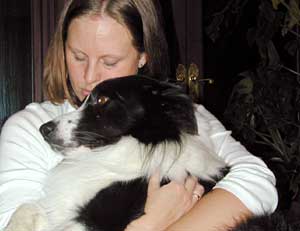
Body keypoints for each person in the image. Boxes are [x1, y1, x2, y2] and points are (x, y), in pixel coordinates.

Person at [0, 0, 278, 230]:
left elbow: (258, 184)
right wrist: (150, 225)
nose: (89, 76)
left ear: (143, 56)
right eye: (78, 56)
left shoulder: (180, 117)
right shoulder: (30, 128)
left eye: (109, 61)